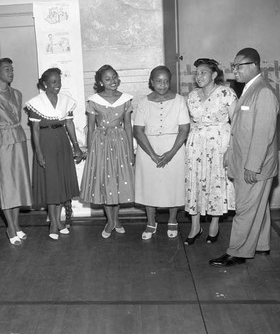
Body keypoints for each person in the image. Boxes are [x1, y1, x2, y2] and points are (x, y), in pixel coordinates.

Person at [210, 48, 279, 267]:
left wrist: (252, 166)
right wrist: (231, 152)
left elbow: (263, 134)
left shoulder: (263, 92)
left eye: (239, 66)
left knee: (245, 208)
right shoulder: (249, 89)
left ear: (254, 65)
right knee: (258, 207)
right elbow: (240, 128)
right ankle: (260, 244)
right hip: (245, 160)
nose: (234, 71)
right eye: (233, 66)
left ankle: (237, 252)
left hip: (254, 165)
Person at [25, 68, 83, 240]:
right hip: (46, 142)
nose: (57, 85)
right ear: (44, 84)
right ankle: (53, 223)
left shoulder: (66, 101)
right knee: (51, 184)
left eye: (58, 81)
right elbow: (35, 130)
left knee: (61, 183)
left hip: (62, 142)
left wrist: (76, 146)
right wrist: (39, 152)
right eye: (53, 82)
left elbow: (70, 125)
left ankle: (58, 221)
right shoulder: (36, 103)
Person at [184, 58, 237, 245]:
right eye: (197, 73)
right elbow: (190, 122)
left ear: (214, 75)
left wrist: (231, 149)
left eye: (203, 72)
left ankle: (214, 224)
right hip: (196, 144)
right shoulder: (191, 96)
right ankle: (195, 225)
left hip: (219, 144)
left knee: (216, 181)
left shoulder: (226, 93)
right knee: (195, 182)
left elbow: (236, 123)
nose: (199, 76)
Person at [133, 66, 190, 240]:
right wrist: (152, 154)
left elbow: (184, 128)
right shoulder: (143, 102)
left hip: (174, 147)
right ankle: (151, 222)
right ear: (151, 82)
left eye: (166, 81)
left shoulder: (180, 100)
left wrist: (172, 153)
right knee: (149, 186)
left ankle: (173, 220)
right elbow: (138, 130)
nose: (163, 84)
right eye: (158, 81)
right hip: (148, 148)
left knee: (173, 185)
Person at [0, 58, 32, 246]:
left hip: (19, 139)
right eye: (6, 69)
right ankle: (10, 226)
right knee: (6, 186)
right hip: (2, 142)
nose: (11, 72)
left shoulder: (17, 94)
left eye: (12, 69)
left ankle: (16, 224)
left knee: (18, 184)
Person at [80, 65, 134, 238]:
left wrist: (131, 150)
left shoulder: (125, 99)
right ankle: (110, 221)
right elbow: (90, 127)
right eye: (108, 79)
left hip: (119, 143)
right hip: (100, 143)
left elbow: (127, 125)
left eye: (115, 77)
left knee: (117, 180)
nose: (113, 81)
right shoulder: (94, 100)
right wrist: (89, 150)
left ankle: (115, 220)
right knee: (104, 181)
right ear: (100, 82)